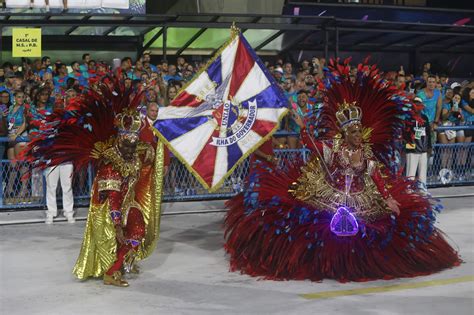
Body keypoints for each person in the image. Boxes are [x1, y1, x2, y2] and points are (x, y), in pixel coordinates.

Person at [224, 60, 460, 282]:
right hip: (332, 195)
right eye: (354, 132)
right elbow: (311, 144)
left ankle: (356, 264)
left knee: (367, 230)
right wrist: (304, 128)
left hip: (361, 196)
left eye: (360, 131)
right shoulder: (334, 149)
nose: (359, 135)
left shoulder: (365, 153)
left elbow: (375, 175)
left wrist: (387, 197)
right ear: (346, 133)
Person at [22, 79, 166, 287]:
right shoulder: (111, 162)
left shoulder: (133, 156)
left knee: (138, 231)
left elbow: (145, 159)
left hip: (128, 202)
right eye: (129, 141)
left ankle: (124, 260)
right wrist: (117, 223)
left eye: (135, 141)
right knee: (124, 234)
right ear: (121, 139)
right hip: (109, 208)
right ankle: (111, 272)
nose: (133, 145)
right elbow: (112, 196)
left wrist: (152, 150)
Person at [404, 97, 432, 192]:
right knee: (410, 172)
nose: (417, 106)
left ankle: (422, 189)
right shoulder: (408, 118)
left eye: (419, 104)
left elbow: (428, 133)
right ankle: (408, 190)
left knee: (422, 171)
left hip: (423, 149)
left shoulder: (424, 118)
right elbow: (404, 134)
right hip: (412, 148)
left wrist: (429, 147)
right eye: (416, 104)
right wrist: (408, 147)